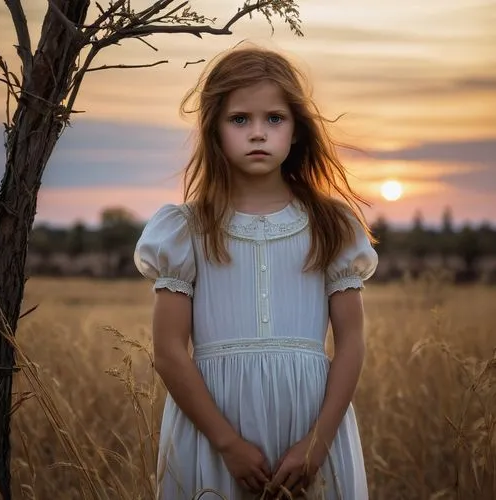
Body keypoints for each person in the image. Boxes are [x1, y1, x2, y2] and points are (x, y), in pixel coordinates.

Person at [134, 45, 379, 500]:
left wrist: (318, 443)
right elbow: (168, 350)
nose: (258, 133)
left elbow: (351, 343)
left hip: (311, 427)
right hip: (213, 428)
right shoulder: (186, 229)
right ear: (215, 130)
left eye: (275, 118)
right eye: (240, 119)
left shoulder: (332, 225)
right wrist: (226, 443)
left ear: (296, 129)